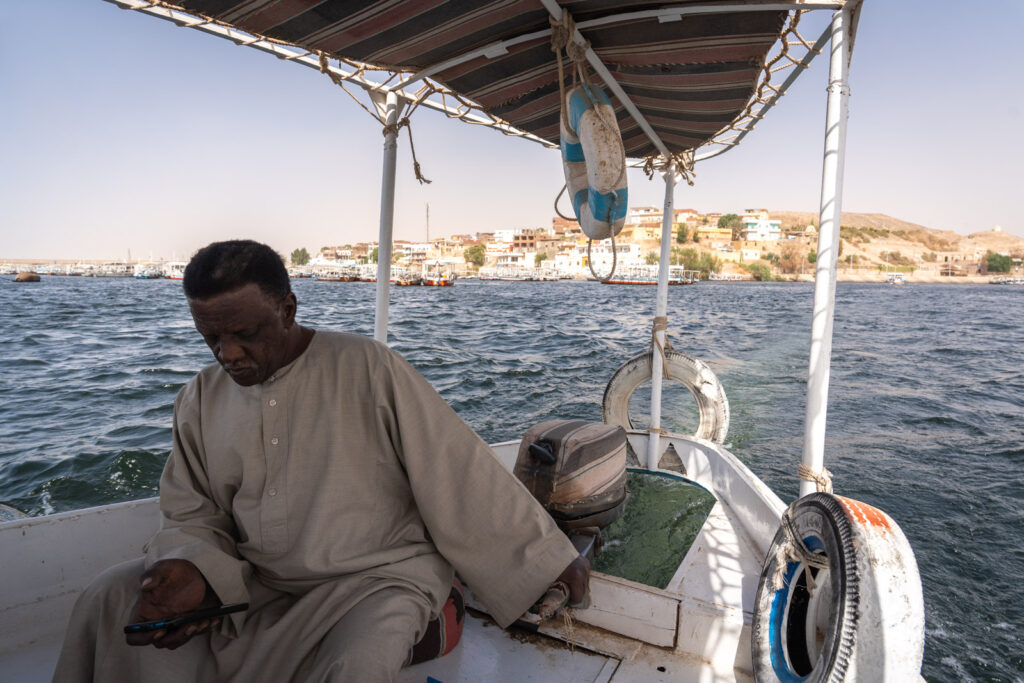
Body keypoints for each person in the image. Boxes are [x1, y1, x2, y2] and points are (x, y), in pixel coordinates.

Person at [53, 240, 588, 682]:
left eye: (244, 334)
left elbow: (456, 471)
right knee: (107, 599)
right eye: (211, 338)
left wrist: (547, 559)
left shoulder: (368, 368)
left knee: (356, 666)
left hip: (377, 581)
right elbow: (191, 511)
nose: (227, 353)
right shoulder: (200, 396)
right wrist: (190, 567)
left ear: (287, 310)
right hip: (252, 580)